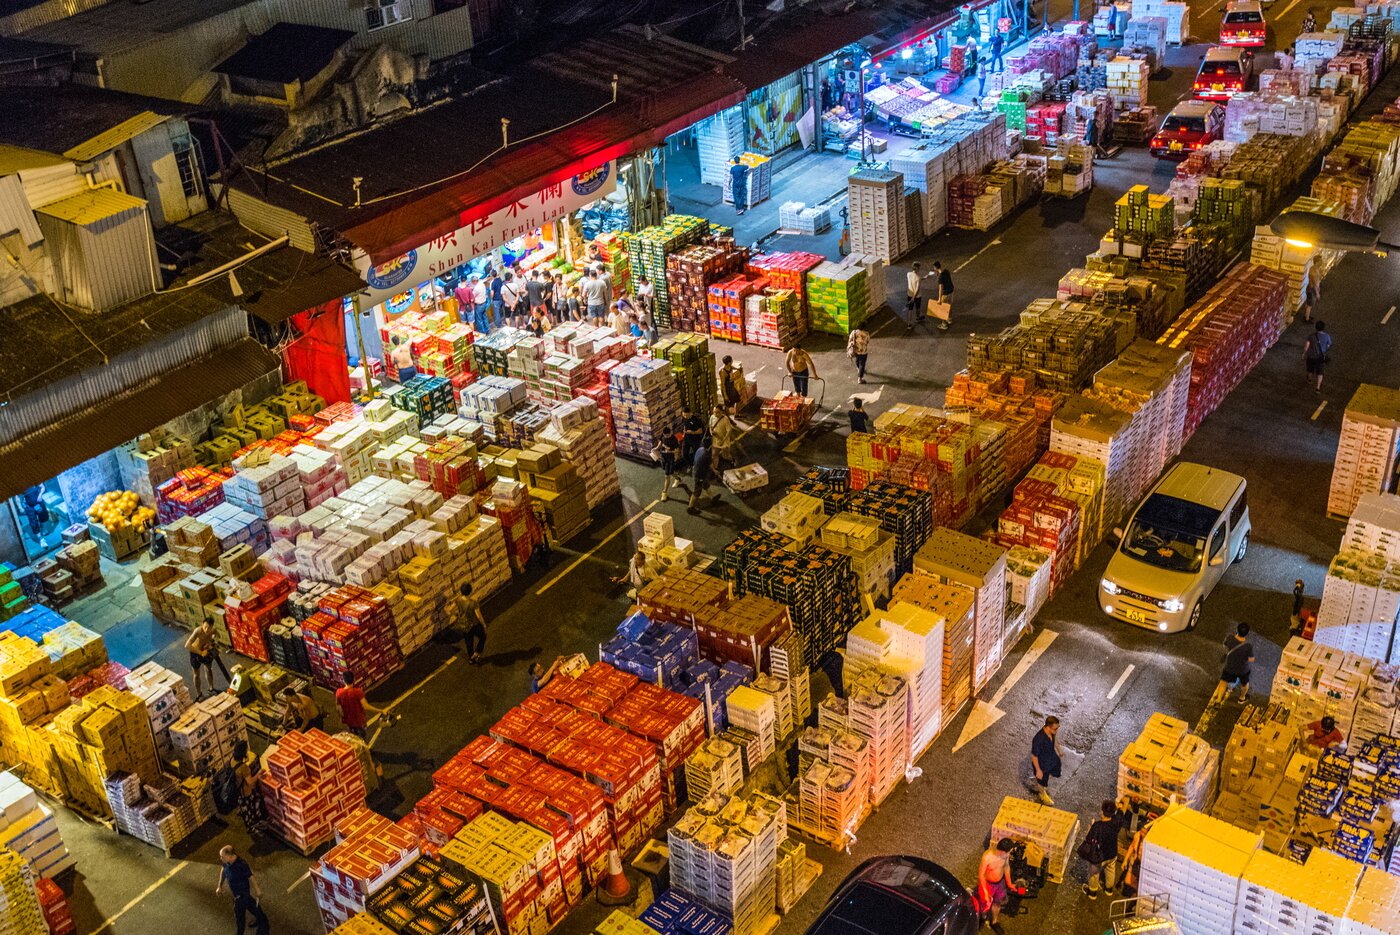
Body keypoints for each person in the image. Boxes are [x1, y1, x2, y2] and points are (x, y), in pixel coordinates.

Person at [216, 845, 270, 935]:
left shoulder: (241, 864)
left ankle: (240, 932)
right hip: (240, 895)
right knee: (251, 905)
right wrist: (219, 886)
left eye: (222, 856)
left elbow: (250, 876)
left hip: (241, 896)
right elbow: (223, 871)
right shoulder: (226, 862)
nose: (220, 858)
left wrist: (257, 890)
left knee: (239, 917)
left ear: (229, 856)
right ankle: (262, 919)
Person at [1081, 800, 1126, 898]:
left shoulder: (1098, 826)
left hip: (1100, 856)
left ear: (1102, 812)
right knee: (1110, 870)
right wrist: (1120, 808)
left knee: (1094, 872)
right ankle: (1109, 889)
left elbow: (1089, 838)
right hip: (1112, 853)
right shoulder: (1116, 821)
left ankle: (1092, 892)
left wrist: (1090, 827)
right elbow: (1120, 814)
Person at [977, 838, 1016, 933]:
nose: (1009, 854)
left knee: (997, 903)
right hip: (988, 884)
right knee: (984, 904)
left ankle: (994, 922)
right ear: (1002, 851)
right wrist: (985, 891)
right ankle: (981, 918)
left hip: (1000, 883)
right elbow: (981, 875)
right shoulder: (987, 857)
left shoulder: (1005, 856)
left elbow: (1006, 867)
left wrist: (1009, 883)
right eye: (1008, 852)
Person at [185, 619, 230, 699]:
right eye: (205, 627)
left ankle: (211, 688)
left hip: (206, 651)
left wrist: (212, 641)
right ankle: (199, 694)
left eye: (209, 628)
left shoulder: (213, 630)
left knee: (209, 669)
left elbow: (218, 636)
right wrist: (200, 652)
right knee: (196, 674)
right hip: (195, 653)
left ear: (212, 627)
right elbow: (187, 645)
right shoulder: (197, 631)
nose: (206, 630)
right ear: (202, 624)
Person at [231, 740, 266, 834]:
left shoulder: (232, 761)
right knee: (251, 809)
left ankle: (244, 814)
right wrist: (258, 774)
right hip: (246, 792)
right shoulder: (244, 768)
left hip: (238, 791)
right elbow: (250, 782)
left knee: (244, 807)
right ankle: (252, 827)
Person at [335, 670, 379, 740]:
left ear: (343, 680)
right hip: (359, 721)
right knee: (362, 738)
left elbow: (338, 708)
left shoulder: (339, 692)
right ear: (354, 679)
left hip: (348, 721)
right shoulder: (357, 692)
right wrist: (381, 710)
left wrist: (341, 717)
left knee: (353, 738)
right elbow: (366, 706)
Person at [1030, 715, 1063, 805]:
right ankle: (1042, 794)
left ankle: (1041, 782)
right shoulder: (1039, 739)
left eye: (1057, 728)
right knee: (1042, 780)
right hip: (1042, 764)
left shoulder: (1052, 732)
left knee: (1056, 770)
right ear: (1048, 727)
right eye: (1055, 729)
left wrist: (1059, 750)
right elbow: (1034, 756)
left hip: (1051, 757)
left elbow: (1055, 739)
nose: (1056, 730)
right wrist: (1038, 770)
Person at [1220, 622, 1255, 702]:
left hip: (1230, 666)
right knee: (1245, 684)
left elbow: (1225, 645)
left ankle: (1218, 700)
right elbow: (1251, 659)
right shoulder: (1248, 646)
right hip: (1242, 669)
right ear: (1247, 633)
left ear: (1237, 630)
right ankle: (1242, 698)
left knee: (1223, 681)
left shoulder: (1230, 638)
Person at [457, 583, 487, 664]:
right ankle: (477, 652)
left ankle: (471, 658)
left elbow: (452, 610)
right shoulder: (473, 603)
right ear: (470, 591)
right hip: (473, 624)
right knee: (483, 636)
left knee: (469, 642)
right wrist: (484, 624)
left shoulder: (458, 600)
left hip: (463, 624)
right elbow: (478, 615)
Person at [655, 431, 684, 502]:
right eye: (665, 435)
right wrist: (656, 448)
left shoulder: (674, 440)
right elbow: (661, 442)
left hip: (670, 459)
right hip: (663, 458)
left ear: (670, 433)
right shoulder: (663, 436)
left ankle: (664, 493)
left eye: (667, 435)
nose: (666, 437)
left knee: (666, 475)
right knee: (670, 472)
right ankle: (678, 479)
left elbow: (677, 451)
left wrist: (671, 453)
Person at [1304, 320, 1331, 393]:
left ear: (1316, 328)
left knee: (1310, 369)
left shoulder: (1311, 336)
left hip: (1311, 356)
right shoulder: (1327, 336)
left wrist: (1305, 353)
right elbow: (1328, 345)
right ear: (1323, 328)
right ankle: (1318, 387)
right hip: (1320, 357)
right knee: (1320, 372)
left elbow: (1307, 346)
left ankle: (1309, 379)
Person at [689, 436, 716, 510]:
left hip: (695, 471)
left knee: (706, 485)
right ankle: (690, 507)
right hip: (700, 475)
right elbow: (712, 467)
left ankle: (712, 498)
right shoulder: (707, 455)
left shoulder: (700, 449)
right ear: (710, 445)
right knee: (697, 492)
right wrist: (716, 472)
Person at [905, 261, 932, 331]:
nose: (919, 269)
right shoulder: (918, 277)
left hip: (909, 294)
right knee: (918, 307)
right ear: (916, 269)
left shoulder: (908, 274)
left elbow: (916, 279)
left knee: (910, 309)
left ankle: (909, 323)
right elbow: (917, 289)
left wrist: (923, 278)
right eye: (919, 268)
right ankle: (918, 318)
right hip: (917, 296)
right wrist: (913, 298)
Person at [710, 404, 737, 468]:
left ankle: (732, 461)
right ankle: (715, 468)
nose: (715, 414)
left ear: (721, 412)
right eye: (714, 412)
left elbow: (729, 431)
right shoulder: (712, 417)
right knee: (714, 454)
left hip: (724, 441)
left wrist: (723, 440)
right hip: (715, 440)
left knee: (725, 455)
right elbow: (710, 426)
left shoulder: (725, 419)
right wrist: (711, 432)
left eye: (717, 412)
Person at [933, 260, 955, 331]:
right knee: (949, 306)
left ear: (935, 268)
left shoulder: (940, 278)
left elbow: (940, 289)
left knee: (942, 309)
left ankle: (944, 324)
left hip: (945, 294)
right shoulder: (946, 271)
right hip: (951, 291)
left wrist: (939, 299)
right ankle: (949, 319)